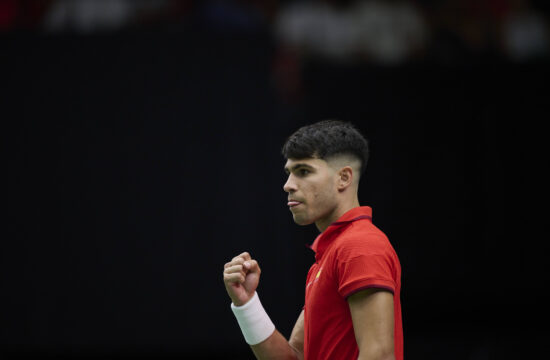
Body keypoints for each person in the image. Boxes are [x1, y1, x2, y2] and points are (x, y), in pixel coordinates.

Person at [223, 120, 403, 360]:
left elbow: (379, 355)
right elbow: (294, 357)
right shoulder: (332, 253)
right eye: (289, 173)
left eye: (304, 171)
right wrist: (247, 305)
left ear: (344, 178)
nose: (288, 185)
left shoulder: (360, 246)